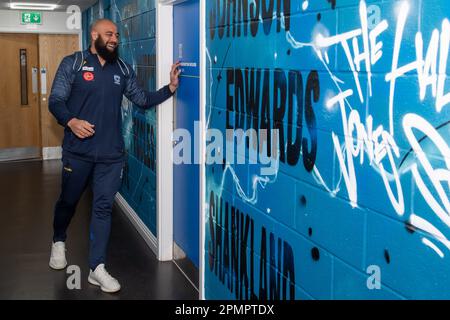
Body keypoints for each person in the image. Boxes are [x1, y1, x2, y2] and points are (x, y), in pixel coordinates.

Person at [48, 19, 181, 293]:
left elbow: (142, 99)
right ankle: (59, 239)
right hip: (78, 152)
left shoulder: (123, 69)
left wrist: (169, 89)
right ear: (94, 35)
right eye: (109, 34)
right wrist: (71, 121)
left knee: (103, 208)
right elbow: (56, 100)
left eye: (117, 35)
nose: (114, 39)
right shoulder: (72, 63)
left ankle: (97, 267)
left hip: (111, 155)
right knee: (68, 201)